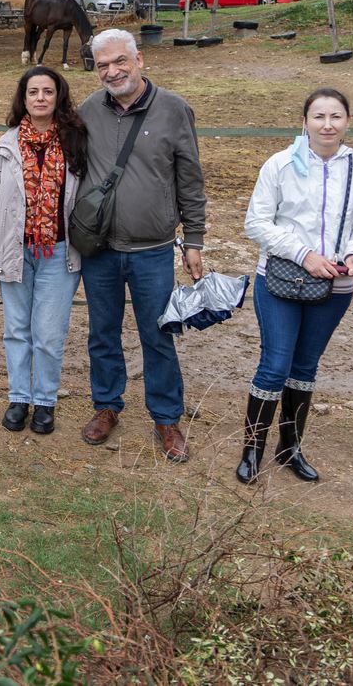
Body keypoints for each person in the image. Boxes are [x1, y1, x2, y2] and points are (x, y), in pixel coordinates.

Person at [239, 88, 353, 484]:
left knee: (305, 367)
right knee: (275, 365)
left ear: (348, 122)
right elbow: (257, 222)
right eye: (318, 116)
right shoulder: (280, 165)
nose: (327, 124)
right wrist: (304, 254)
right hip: (281, 280)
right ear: (304, 122)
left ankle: (290, 450)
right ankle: (252, 449)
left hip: (335, 285)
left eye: (336, 116)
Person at [77, 29, 206, 463]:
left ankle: (167, 418)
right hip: (101, 249)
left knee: (158, 335)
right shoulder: (88, 111)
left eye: (119, 61)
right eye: (102, 65)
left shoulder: (173, 109)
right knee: (102, 333)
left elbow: (190, 179)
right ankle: (107, 406)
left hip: (152, 249)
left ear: (139, 60)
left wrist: (194, 240)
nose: (112, 71)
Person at [0, 67, 88, 435]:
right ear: (23, 98)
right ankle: (19, 397)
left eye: (48, 92)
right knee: (16, 329)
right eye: (33, 92)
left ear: (59, 97)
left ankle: (45, 401)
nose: (40, 98)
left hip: (59, 251)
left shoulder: (75, 140)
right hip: (13, 249)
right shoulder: (8, 143)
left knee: (49, 333)